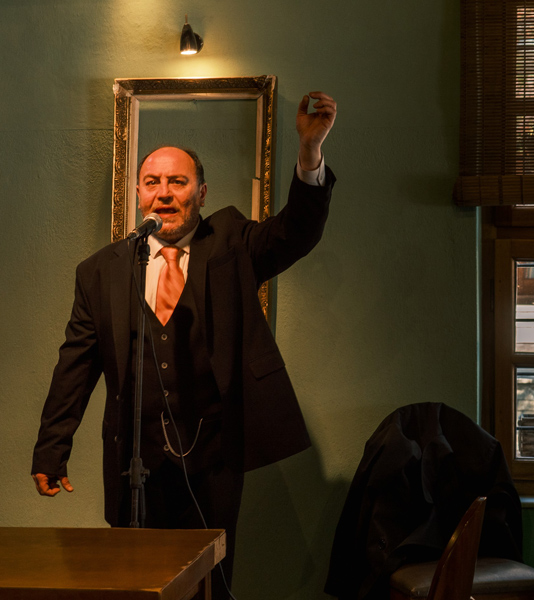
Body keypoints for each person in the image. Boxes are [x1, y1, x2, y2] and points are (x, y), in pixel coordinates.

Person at [31, 92, 337, 598]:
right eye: (152, 182)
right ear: (138, 193)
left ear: (201, 192)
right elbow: (76, 367)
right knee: (136, 584)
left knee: (211, 584)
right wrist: (51, 448)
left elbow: (296, 232)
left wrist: (310, 152)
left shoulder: (233, 242)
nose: (164, 193)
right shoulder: (101, 271)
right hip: (134, 461)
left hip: (214, 459)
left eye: (178, 181)